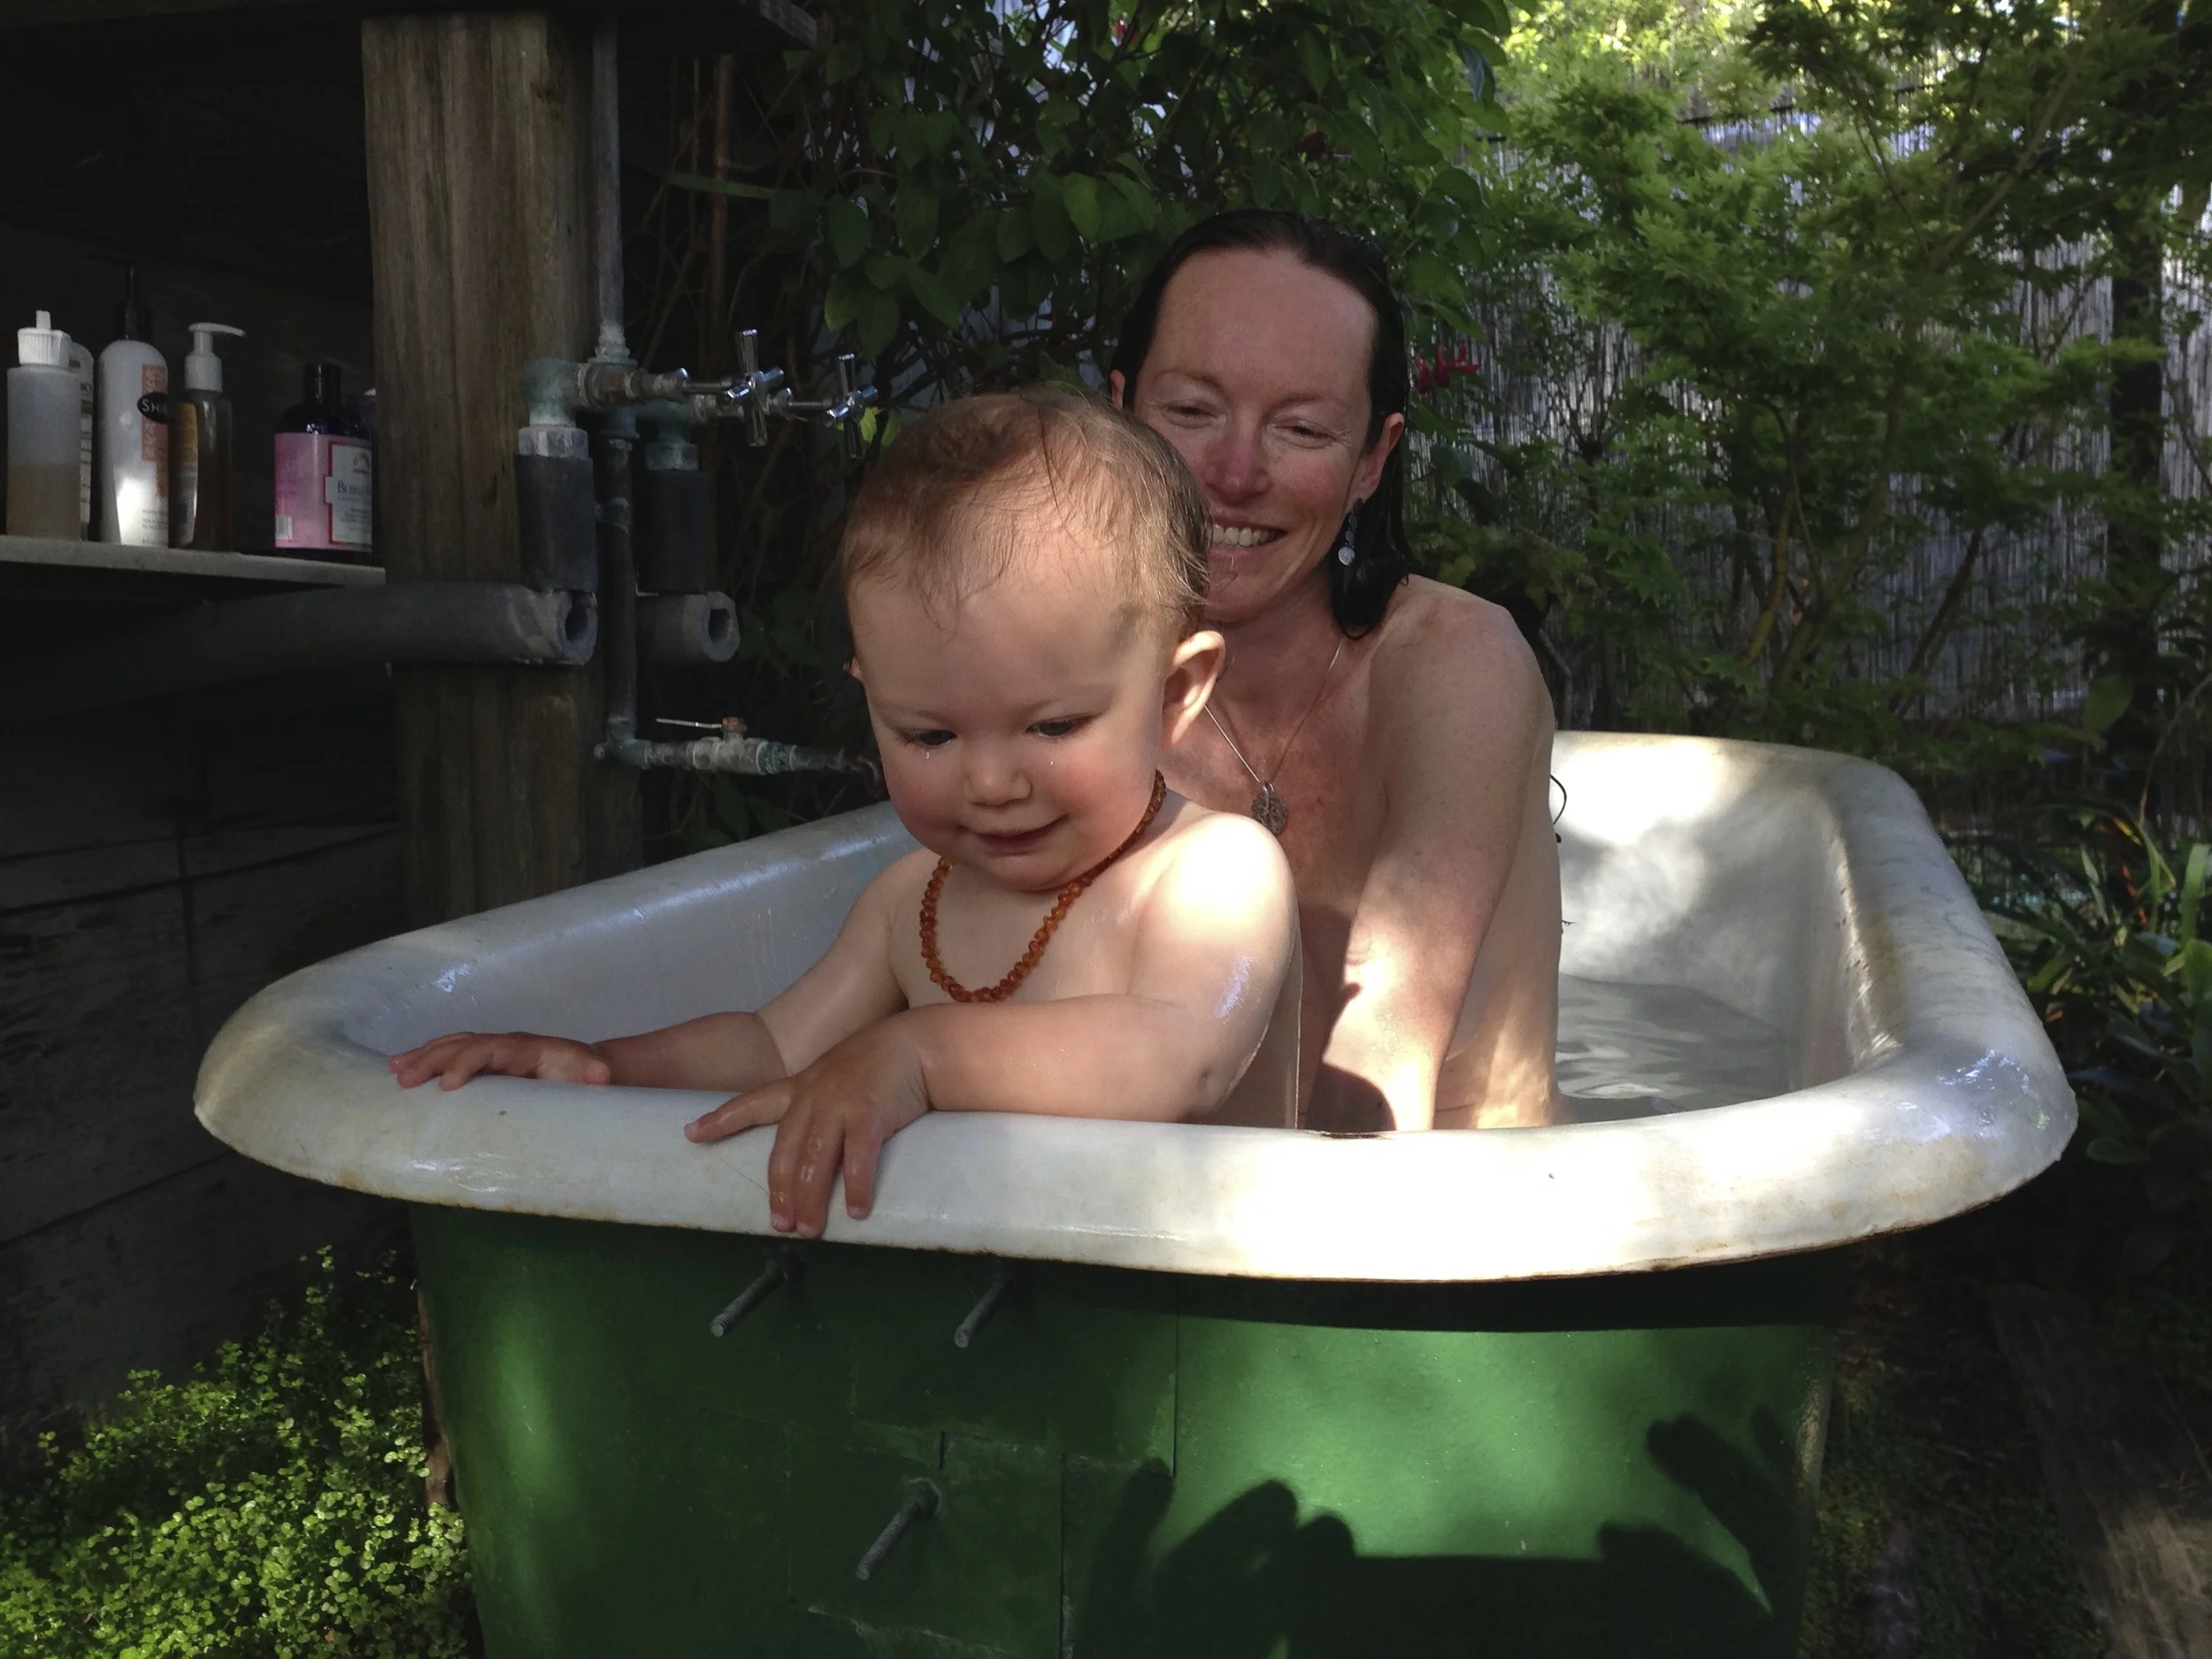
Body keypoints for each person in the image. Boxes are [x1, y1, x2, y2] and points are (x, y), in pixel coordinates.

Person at [390, 388, 1301, 1235]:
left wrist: (918, 1056)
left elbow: (1180, 1055)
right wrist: (601, 1067)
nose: (991, 782)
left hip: (1213, 1303)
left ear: (1176, 691)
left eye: (1053, 726)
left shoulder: (1212, 871)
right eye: (929, 735)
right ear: (872, 699)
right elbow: (772, 1046)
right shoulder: (911, 901)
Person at [1111, 210, 1561, 1131]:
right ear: (1121, 413)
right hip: (1180, 1203)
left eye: (1302, 428)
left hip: (1466, 1202)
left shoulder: (1455, 665)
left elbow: (1384, 1059)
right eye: (1191, 411)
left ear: (1371, 460)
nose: (1236, 472)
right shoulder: (1067, 695)